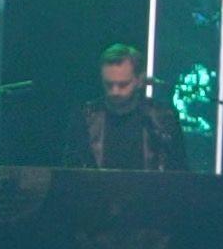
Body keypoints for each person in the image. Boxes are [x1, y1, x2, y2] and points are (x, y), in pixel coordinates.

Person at [77, 43, 193, 172]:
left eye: (123, 85)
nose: (115, 91)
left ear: (139, 80)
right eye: (109, 84)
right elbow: (72, 172)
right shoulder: (87, 116)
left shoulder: (163, 117)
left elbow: (179, 171)